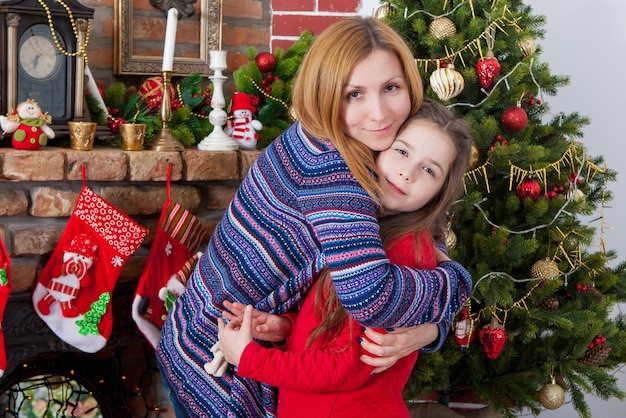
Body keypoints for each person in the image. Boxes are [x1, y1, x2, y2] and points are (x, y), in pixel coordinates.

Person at [156, 16, 472, 417]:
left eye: (391, 88)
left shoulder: (362, 144)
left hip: (241, 340)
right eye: (354, 94)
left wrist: (431, 328)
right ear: (324, 93)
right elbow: (372, 298)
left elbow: (421, 237)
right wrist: (455, 288)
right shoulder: (333, 170)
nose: (378, 113)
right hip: (215, 361)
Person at [216, 98, 473, 417]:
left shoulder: (405, 250)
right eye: (402, 152)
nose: (407, 173)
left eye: (429, 170)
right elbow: (335, 325)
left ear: (440, 193)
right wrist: (285, 327)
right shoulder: (358, 220)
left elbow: (348, 366)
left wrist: (250, 358)